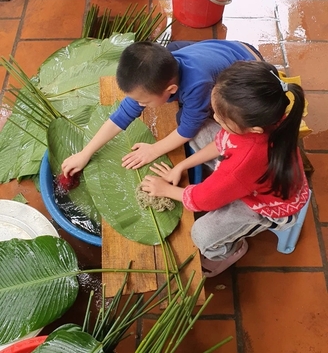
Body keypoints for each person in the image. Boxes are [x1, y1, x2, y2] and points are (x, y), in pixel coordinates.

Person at [140, 61, 310, 277]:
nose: (215, 118)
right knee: (199, 129)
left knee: (203, 235)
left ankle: (231, 250)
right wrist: (182, 165)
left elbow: (202, 200)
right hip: (258, 175)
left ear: (252, 128)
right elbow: (223, 141)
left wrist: (164, 190)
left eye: (220, 118)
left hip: (265, 205)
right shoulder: (267, 115)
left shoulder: (245, 162)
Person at [61, 39, 264, 177]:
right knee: (174, 47)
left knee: (186, 118)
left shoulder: (197, 85)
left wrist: (154, 150)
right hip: (227, 49)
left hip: (252, 68)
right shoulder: (156, 72)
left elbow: (188, 129)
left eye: (145, 102)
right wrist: (85, 153)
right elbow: (122, 115)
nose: (140, 105)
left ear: (171, 89)